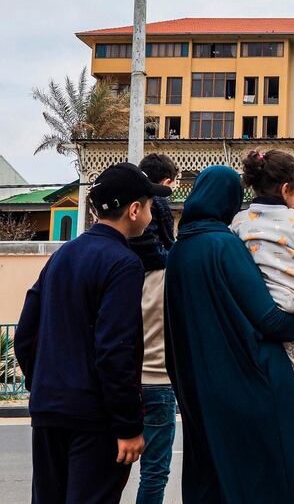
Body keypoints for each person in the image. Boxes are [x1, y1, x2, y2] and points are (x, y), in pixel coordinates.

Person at [15, 162, 171, 504]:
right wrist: (129, 425)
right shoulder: (123, 263)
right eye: (148, 205)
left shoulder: (63, 254)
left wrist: (43, 382)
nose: (150, 213)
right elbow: (116, 350)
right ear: (134, 210)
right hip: (93, 416)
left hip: (49, 410)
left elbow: (25, 333)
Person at [164, 165, 294, 503]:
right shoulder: (225, 245)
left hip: (200, 387)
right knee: (277, 477)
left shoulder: (178, 252)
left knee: (216, 478)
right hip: (252, 381)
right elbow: (269, 319)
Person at [231, 150, 294, 387]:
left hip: (260, 303)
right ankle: (293, 393)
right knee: (290, 361)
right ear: (286, 190)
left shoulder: (240, 220)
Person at [128, 153, 179, 504]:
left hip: (122, 382)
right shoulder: (173, 277)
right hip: (160, 383)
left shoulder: (120, 270)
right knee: (154, 472)